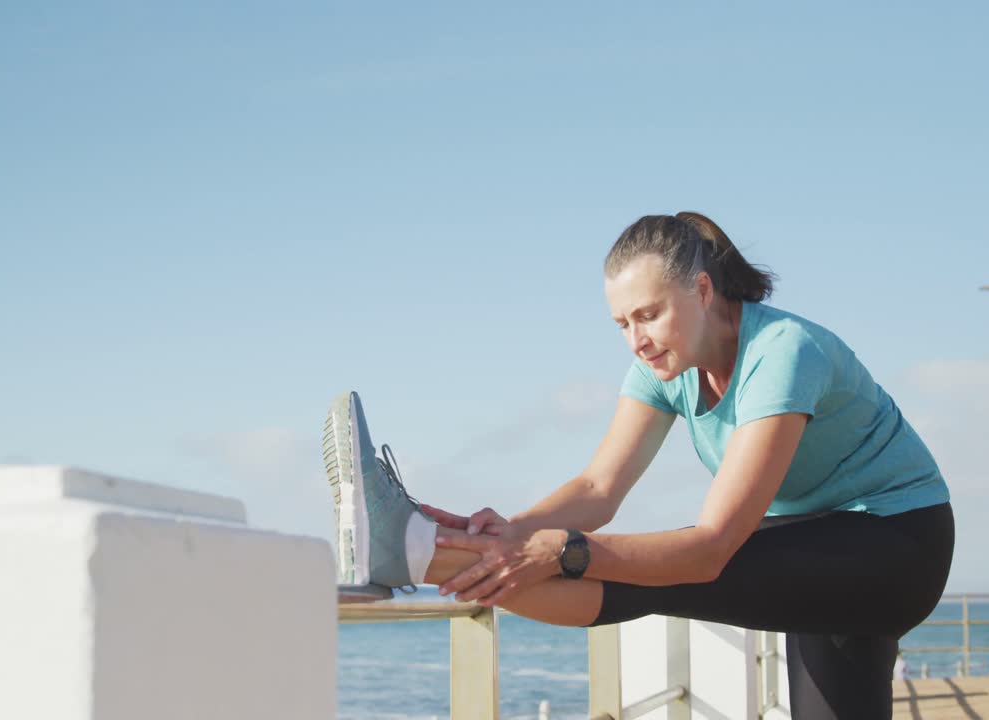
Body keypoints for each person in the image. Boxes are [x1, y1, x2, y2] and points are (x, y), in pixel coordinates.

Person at [323, 212, 954, 720]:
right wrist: (507, 532)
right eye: (622, 323)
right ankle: (419, 545)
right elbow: (598, 488)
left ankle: (414, 552)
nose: (637, 339)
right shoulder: (663, 367)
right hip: (806, 543)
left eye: (649, 314)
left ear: (701, 290)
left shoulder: (783, 353)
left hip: (894, 544)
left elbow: (710, 548)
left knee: (659, 574)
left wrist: (566, 549)